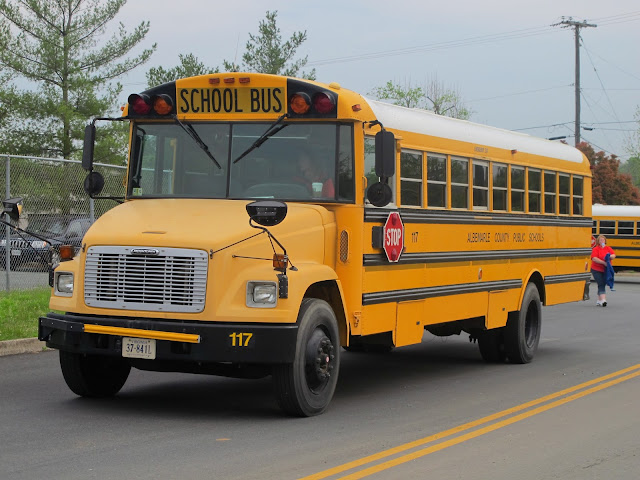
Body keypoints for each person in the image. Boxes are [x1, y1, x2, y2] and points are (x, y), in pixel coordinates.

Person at [591, 234, 616, 306]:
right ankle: (603, 300)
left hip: (605, 270)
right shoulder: (595, 249)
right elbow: (594, 258)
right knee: (601, 283)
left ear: (605, 241)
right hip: (596, 269)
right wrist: (603, 263)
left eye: (603, 240)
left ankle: (599, 300)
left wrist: (609, 256)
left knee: (602, 283)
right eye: (600, 240)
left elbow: (613, 255)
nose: (602, 241)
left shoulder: (608, 248)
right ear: (598, 241)